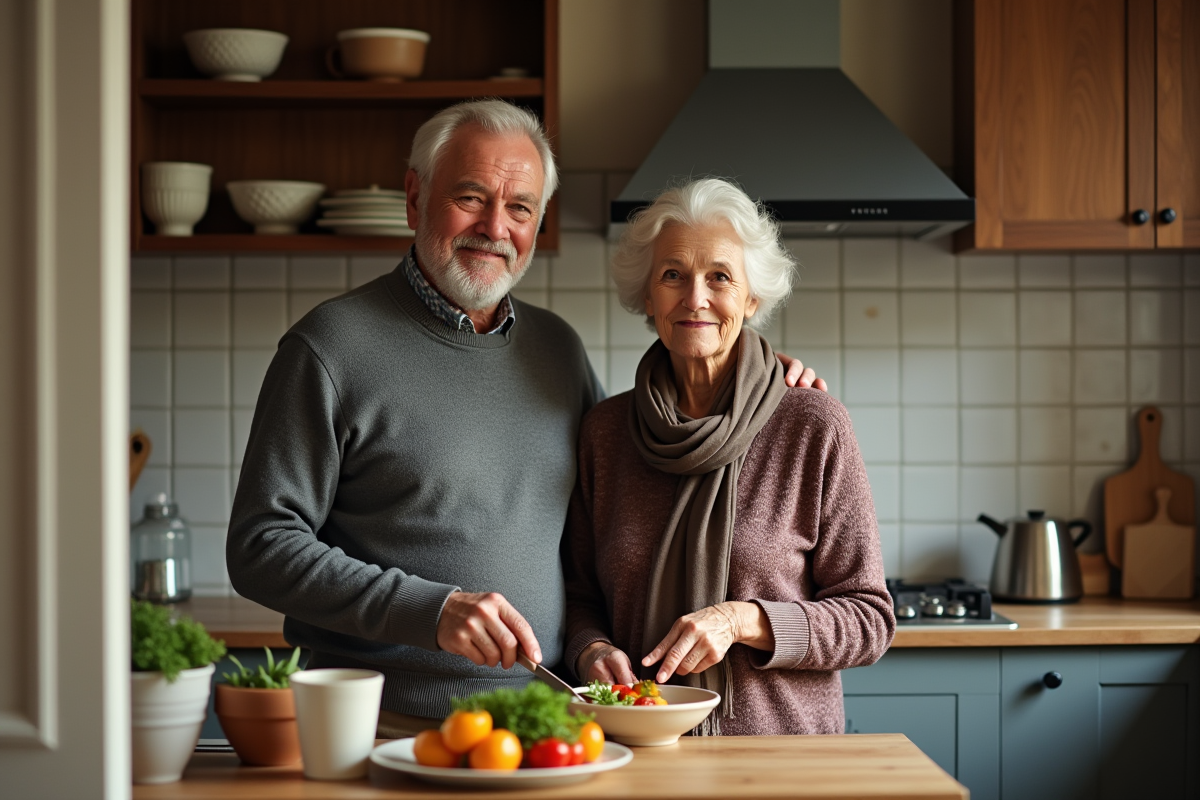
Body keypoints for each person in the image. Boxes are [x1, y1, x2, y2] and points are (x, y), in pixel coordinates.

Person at [226, 100, 825, 736]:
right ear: (414, 196)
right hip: (390, 725)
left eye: (520, 207)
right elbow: (261, 547)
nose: (494, 226)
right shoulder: (330, 348)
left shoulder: (556, 349)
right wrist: (431, 610)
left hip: (550, 720)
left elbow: (624, 488)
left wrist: (750, 375)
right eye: (470, 196)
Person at [563, 178, 895, 736]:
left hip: (782, 759)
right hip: (639, 750)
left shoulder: (814, 425)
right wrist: (590, 649)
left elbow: (869, 621)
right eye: (673, 275)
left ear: (751, 298)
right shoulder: (605, 433)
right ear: (648, 296)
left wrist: (743, 619)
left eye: (720, 277)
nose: (695, 298)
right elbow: (578, 596)